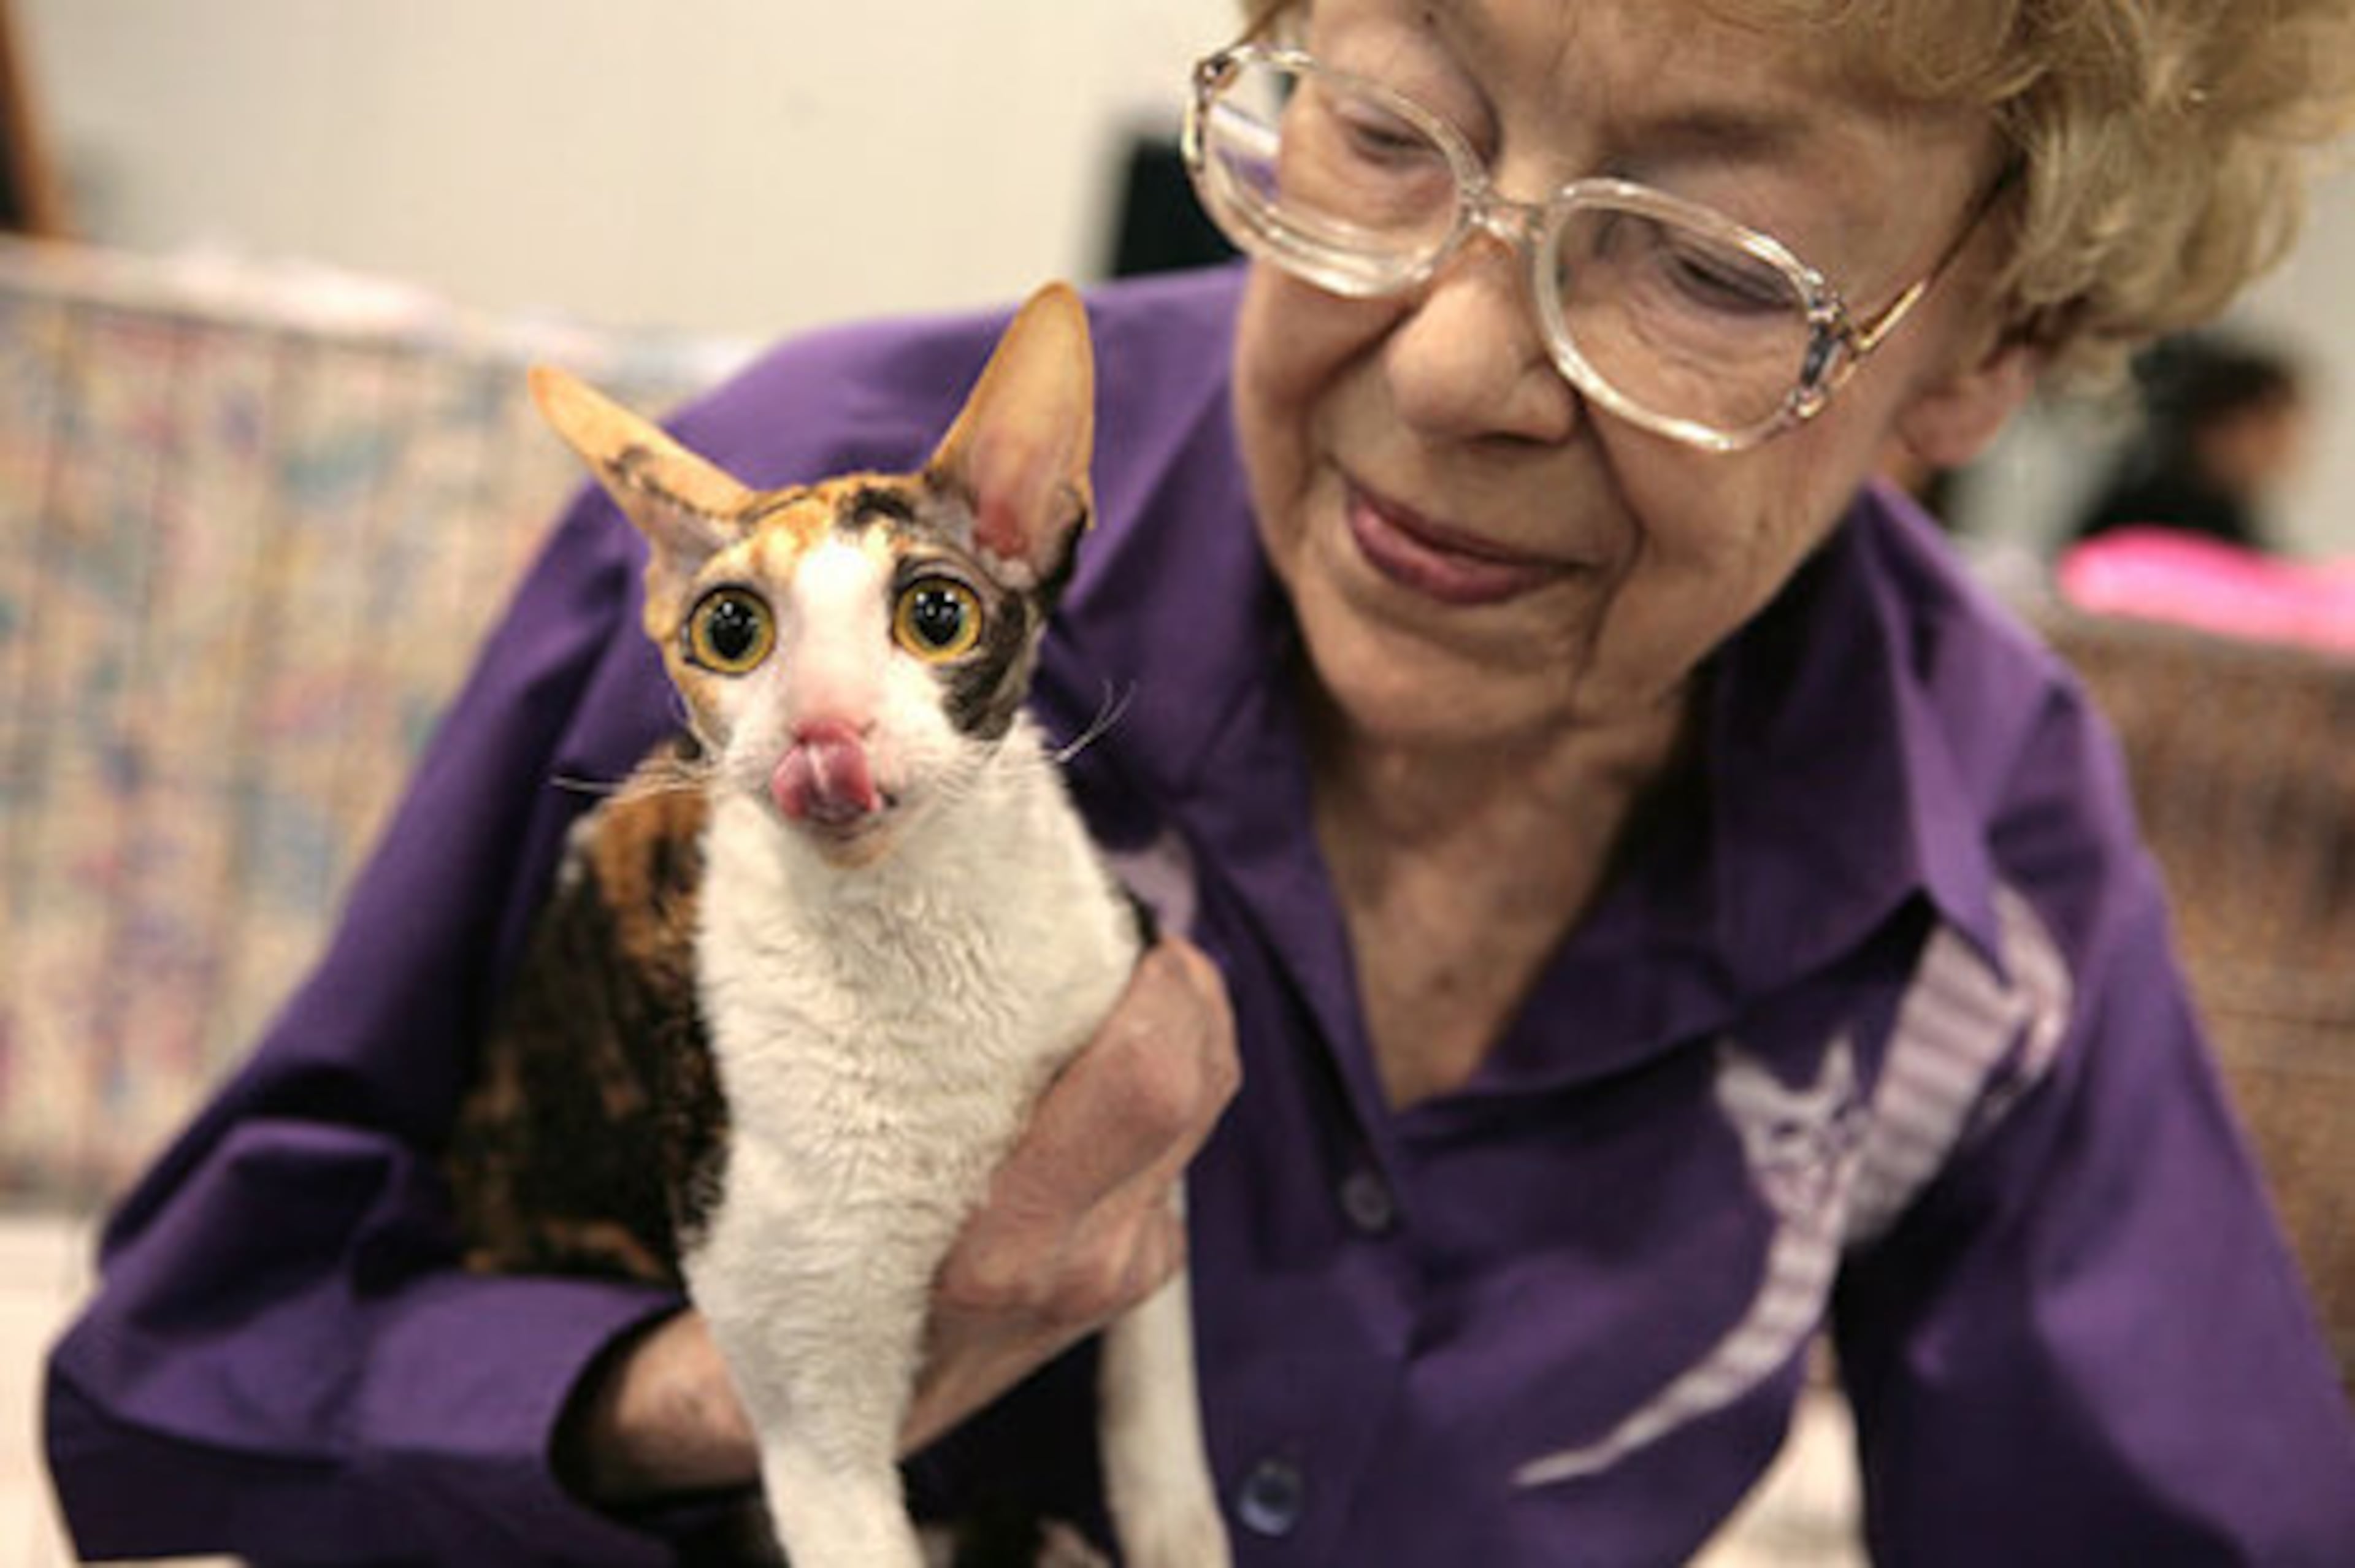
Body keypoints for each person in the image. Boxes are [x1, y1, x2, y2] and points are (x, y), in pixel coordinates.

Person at [45, 0, 2355, 1562]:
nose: (1450, 364)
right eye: (1380, 124)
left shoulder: (1980, 857)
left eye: (1703, 265)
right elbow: (181, 1375)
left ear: (1992, 355)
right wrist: (756, 1384)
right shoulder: (788, 569)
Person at [2070, 334, 2314, 550]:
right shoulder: (2150, 519)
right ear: (2217, 427)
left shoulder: (2236, 519)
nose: (2283, 447)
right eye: (2267, 429)